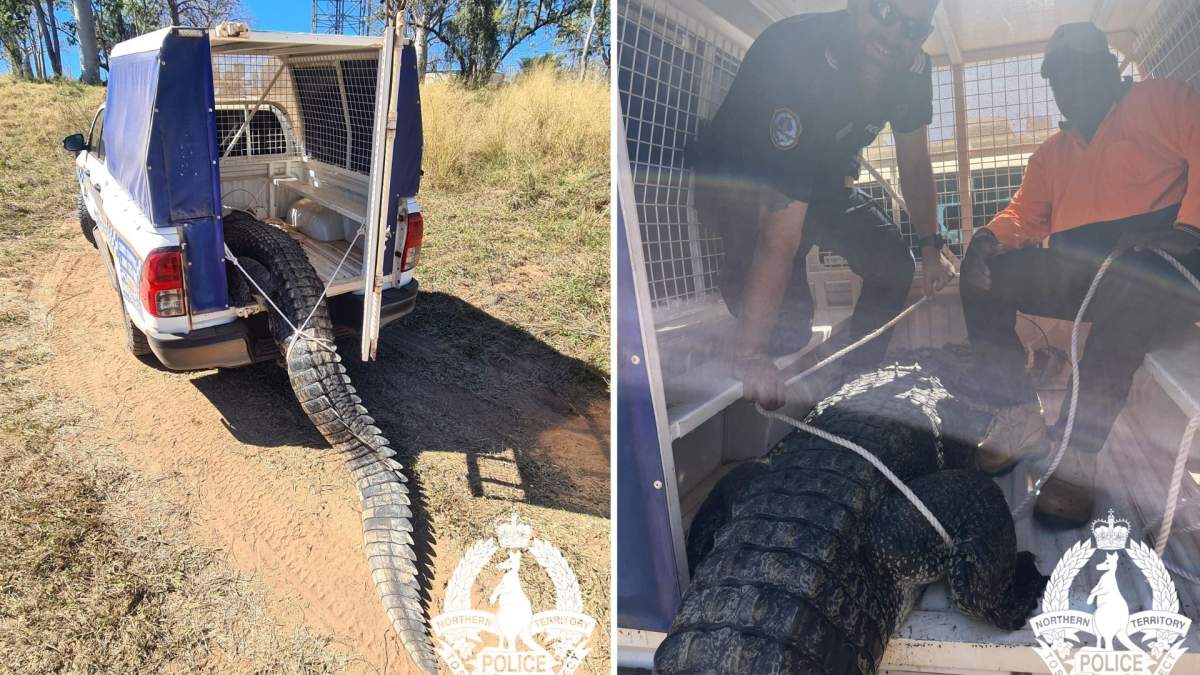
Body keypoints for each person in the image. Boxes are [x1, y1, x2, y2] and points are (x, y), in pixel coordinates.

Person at [960, 22, 1200, 526]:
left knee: (1137, 283)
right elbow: (1025, 214)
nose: (1071, 84)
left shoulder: (1162, 100)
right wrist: (988, 239)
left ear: (1111, 68)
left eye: (1084, 69)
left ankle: (1076, 451)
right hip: (1089, 273)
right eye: (1060, 76)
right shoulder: (1051, 153)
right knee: (980, 274)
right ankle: (1019, 414)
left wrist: (1189, 228)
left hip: (1168, 273)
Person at [688, 0, 956, 410]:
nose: (894, 36)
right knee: (788, 333)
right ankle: (739, 285)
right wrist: (751, 356)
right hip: (740, 182)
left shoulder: (914, 69)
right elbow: (780, 235)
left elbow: (916, 163)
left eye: (912, 29)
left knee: (894, 262)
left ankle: (853, 384)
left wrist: (931, 247)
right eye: (885, 13)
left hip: (819, 176)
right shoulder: (800, 56)